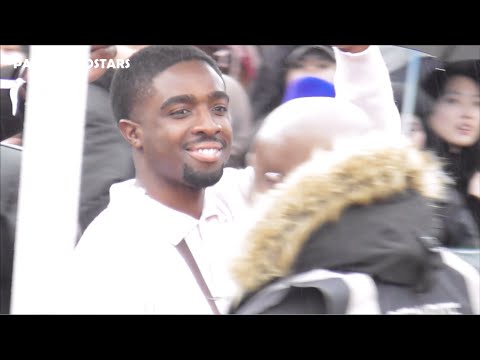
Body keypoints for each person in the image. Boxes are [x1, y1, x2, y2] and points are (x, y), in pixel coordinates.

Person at [66, 45, 400, 314]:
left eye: (218, 108)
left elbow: (364, 161)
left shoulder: (256, 193)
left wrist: (357, 54)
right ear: (133, 133)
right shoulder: (108, 254)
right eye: (180, 111)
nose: (209, 125)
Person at [229, 96, 480, 315]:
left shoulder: (302, 299)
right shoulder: (460, 278)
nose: (250, 193)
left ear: (278, 184)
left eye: (259, 175)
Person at [421, 60, 480, 238]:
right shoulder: (416, 171)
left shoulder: (474, 173)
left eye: (477, 103)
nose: (467, 114)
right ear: (429, 105)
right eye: (453, 101)